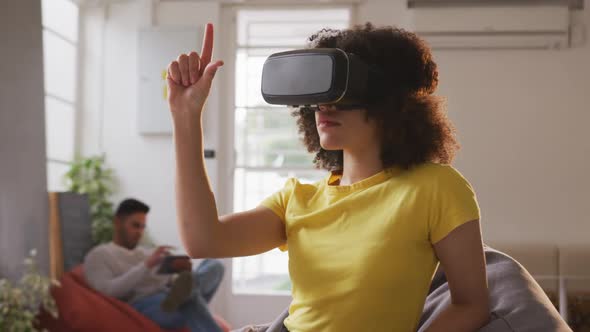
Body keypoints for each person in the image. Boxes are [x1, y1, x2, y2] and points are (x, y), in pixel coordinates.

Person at [166, 22, 490, 331]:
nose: (324, 105)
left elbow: (471, 304)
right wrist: (186, 115)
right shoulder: (297, 199)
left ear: (390, 103)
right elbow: (202, 240)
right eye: (320, 94)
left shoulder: (435, 188)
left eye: (343, 93)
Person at [84, 198, 229, 332]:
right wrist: (147, 265)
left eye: (142, 227)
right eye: (135, 226)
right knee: (188, 296)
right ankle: (186, 293)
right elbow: (109, 291)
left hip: (168, 295)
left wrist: (175, 270)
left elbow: (160, 281)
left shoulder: (144, 252)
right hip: (144, 304)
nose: (139, 232)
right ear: (117, 222)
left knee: (215, 265)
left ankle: (186, 291)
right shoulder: (99, 255)